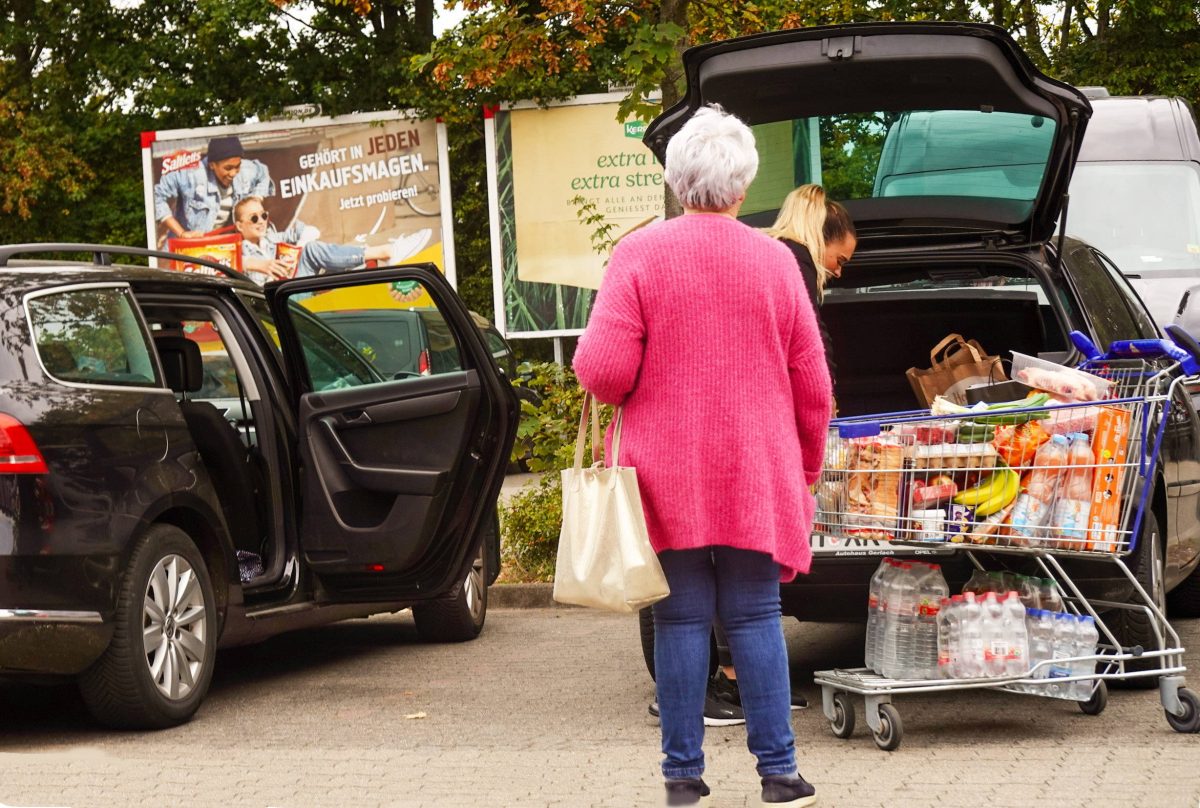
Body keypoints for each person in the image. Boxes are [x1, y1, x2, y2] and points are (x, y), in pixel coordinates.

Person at [573, 105, 830, 808]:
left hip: (663, 473)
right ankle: (779, 773)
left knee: (681, 619)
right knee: (754, 615)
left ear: (674, 178)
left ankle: (682, 778)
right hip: (756, 467)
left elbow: (600, 371)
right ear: (743, 185)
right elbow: (813, 382)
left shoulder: (639, 255)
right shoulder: (777, 261)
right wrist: (804, 468)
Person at [765, 184, 857, 389]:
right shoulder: (798, 261)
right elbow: (811, 334)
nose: (839, 272)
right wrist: (827, 387)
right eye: (840, 260)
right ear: (820, 239)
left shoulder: (772, 252)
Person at [231, 196, 419, 284]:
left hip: (293, 287)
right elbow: (224, 265)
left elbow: (311, 231)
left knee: (315, 250)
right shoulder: (236, 252)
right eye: (254, 218)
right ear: (240, 226)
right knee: (314, 252)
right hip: (272, 302)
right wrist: (256, 264)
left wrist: (296, 254)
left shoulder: (273, 238)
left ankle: (379, 259)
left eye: (264, 216)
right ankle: (385, 253)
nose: (262, 222)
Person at [154, 135, 275, 239]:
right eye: (228, 168)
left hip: (226, 244)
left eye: (237, 166)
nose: (233, 173)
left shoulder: (247, 169)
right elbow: (156, 197)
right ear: (212, 165)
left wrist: (255, 200)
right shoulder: (190, 174)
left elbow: (263, 173)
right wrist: (182, 233)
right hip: (191, 247)